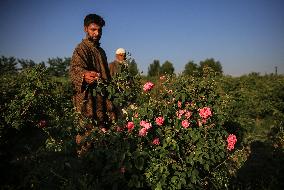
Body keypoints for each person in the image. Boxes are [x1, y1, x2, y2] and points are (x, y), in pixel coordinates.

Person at [69, 14, 116, 152]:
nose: (97, 33)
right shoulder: (81, 48)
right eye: (93, 30)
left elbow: (107, 75)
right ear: (85, 29)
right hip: (87, 100)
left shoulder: (101, 51)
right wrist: (84, 75)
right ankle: (83, 170)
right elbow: (74, 69)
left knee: (102, 135)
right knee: (86, 136)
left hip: (102, 99)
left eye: (99, 30)